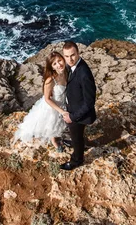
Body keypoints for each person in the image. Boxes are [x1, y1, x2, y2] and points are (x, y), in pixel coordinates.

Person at [13, 51, 68, 151]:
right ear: (51, 67)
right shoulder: (50, 80)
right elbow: (47, 98)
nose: (59, 64)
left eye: (59, 60)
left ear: (63, 59)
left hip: (64, 102)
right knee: (52, 124)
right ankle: (54, 141)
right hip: (52, 106)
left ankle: (59, 136)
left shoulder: (66, 71)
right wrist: (61, 111)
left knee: (60, 123)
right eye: (54, 63)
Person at [60, 41, 97, 171]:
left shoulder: (84, 74)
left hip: (79, 114)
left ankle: (77, 160)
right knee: (76, 135)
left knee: (77, 136)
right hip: (73, 108)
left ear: (78, 53)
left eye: (72, 55)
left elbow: (89, 102)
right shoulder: (72, 66)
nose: (70, 59)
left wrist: (73, 117)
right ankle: (77, 144)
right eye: (66, 56)